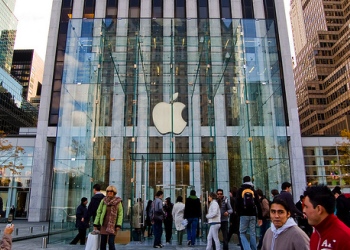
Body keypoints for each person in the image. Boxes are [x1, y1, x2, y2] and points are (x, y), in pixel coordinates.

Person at [303, 184, 350, 250]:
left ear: (319, 209)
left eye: (306, 207)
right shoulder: (316, 235)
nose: (304, 210)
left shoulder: (345, 238)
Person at [236, 176, 262, 250]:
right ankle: (254, 248)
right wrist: (259, 216)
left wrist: (238, 213)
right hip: (253, 215)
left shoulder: (240, 190)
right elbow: (258, 204)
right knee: (253, 233)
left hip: (243, 214)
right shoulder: (253, 190)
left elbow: (237, 203)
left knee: (242, 233)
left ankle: (247, 248)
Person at [93, 185, 123, 250]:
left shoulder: (118, 202)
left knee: (111, 242)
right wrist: (96, 223)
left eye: (111, 191)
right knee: (103, 243)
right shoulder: (103, 201)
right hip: (104, 224)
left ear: (114, 192)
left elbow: (120, 214)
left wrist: (118, 225)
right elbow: (99, 212)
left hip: (113, 225)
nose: (109, 192)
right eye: (108, 191)